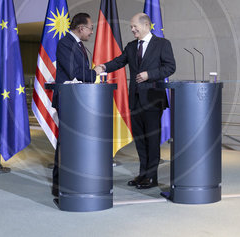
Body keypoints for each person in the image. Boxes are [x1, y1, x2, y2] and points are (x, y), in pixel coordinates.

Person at [98, 12, 175, 189]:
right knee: (140, 140)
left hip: (153, 99)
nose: (132, 29)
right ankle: (142, 174)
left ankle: (152, 177)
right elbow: (119, 61)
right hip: (134, 100)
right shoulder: (132, 46)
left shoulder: (162, 44)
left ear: (146, 25)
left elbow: (170, 66)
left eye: (134, 26)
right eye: (131, 27)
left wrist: (150, 74)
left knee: (152, 139)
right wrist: (103, 67)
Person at [51, 12, 103, 197]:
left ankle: (75, 180)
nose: (91, 32)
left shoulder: (78, 45)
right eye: (90, 28)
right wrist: (94, 73)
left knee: (76, 142)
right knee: (66, 143)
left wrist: (92, 73)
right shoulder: (66, 43)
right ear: (81, 28)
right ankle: (59, 184)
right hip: (68, 99)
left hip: (79, 99)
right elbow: (74, 71)